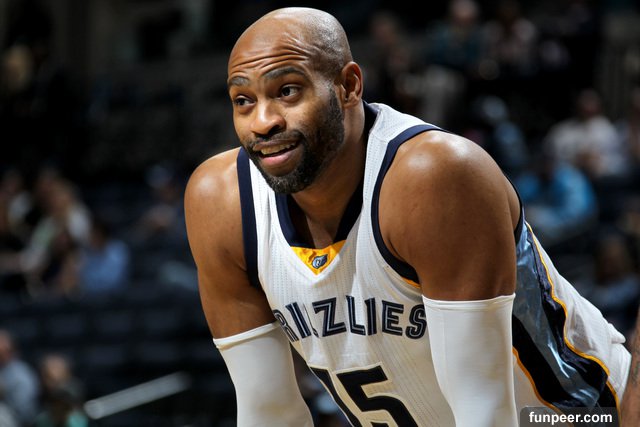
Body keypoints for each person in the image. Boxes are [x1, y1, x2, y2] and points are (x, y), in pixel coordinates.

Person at [184, 7, 630, 426]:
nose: (263, 121)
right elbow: (268, 412)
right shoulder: (223, 202)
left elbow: (484, 410)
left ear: (348, 86)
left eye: (287, 91)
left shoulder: (434, 177)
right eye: (243, 100)